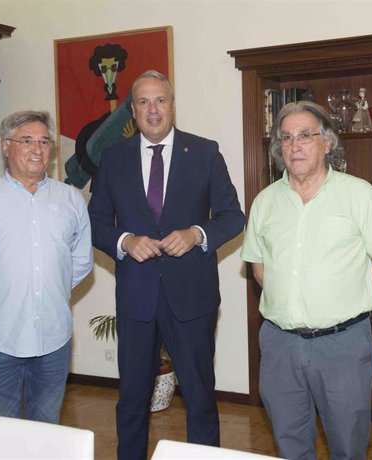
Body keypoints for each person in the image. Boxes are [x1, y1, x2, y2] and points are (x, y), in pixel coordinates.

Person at [88, 70, 244, 460]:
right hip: (137, 300)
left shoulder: (205, 152)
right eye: (143, 102)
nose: (153, 109)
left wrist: (196, 233)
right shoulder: (113, 159)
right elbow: (94, 222)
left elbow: (232, 216)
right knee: (131, 401)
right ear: (133, 111)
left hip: (192, 299)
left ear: (173, 106)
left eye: (160, 100)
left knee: (200, 398)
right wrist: (124, 241)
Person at [241, 100, 372, 460]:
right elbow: (260, 269)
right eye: (286, 137)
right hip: (281, 346)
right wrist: (296, 303)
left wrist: (347, 307)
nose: (294, 145)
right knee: (290, 443)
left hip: (342, 346)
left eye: (305, 136)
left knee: (347, 444)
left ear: (327, 143)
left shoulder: (359, 195)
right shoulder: (264, 202)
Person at [0, 110, 93, 423]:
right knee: (0, 435)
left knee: (46, 431)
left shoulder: (71, 200)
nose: (38, 149)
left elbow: (81, 261)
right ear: (6, 147)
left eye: (44, 141)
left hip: (54, 342)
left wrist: (50, 289)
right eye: (26, 141)